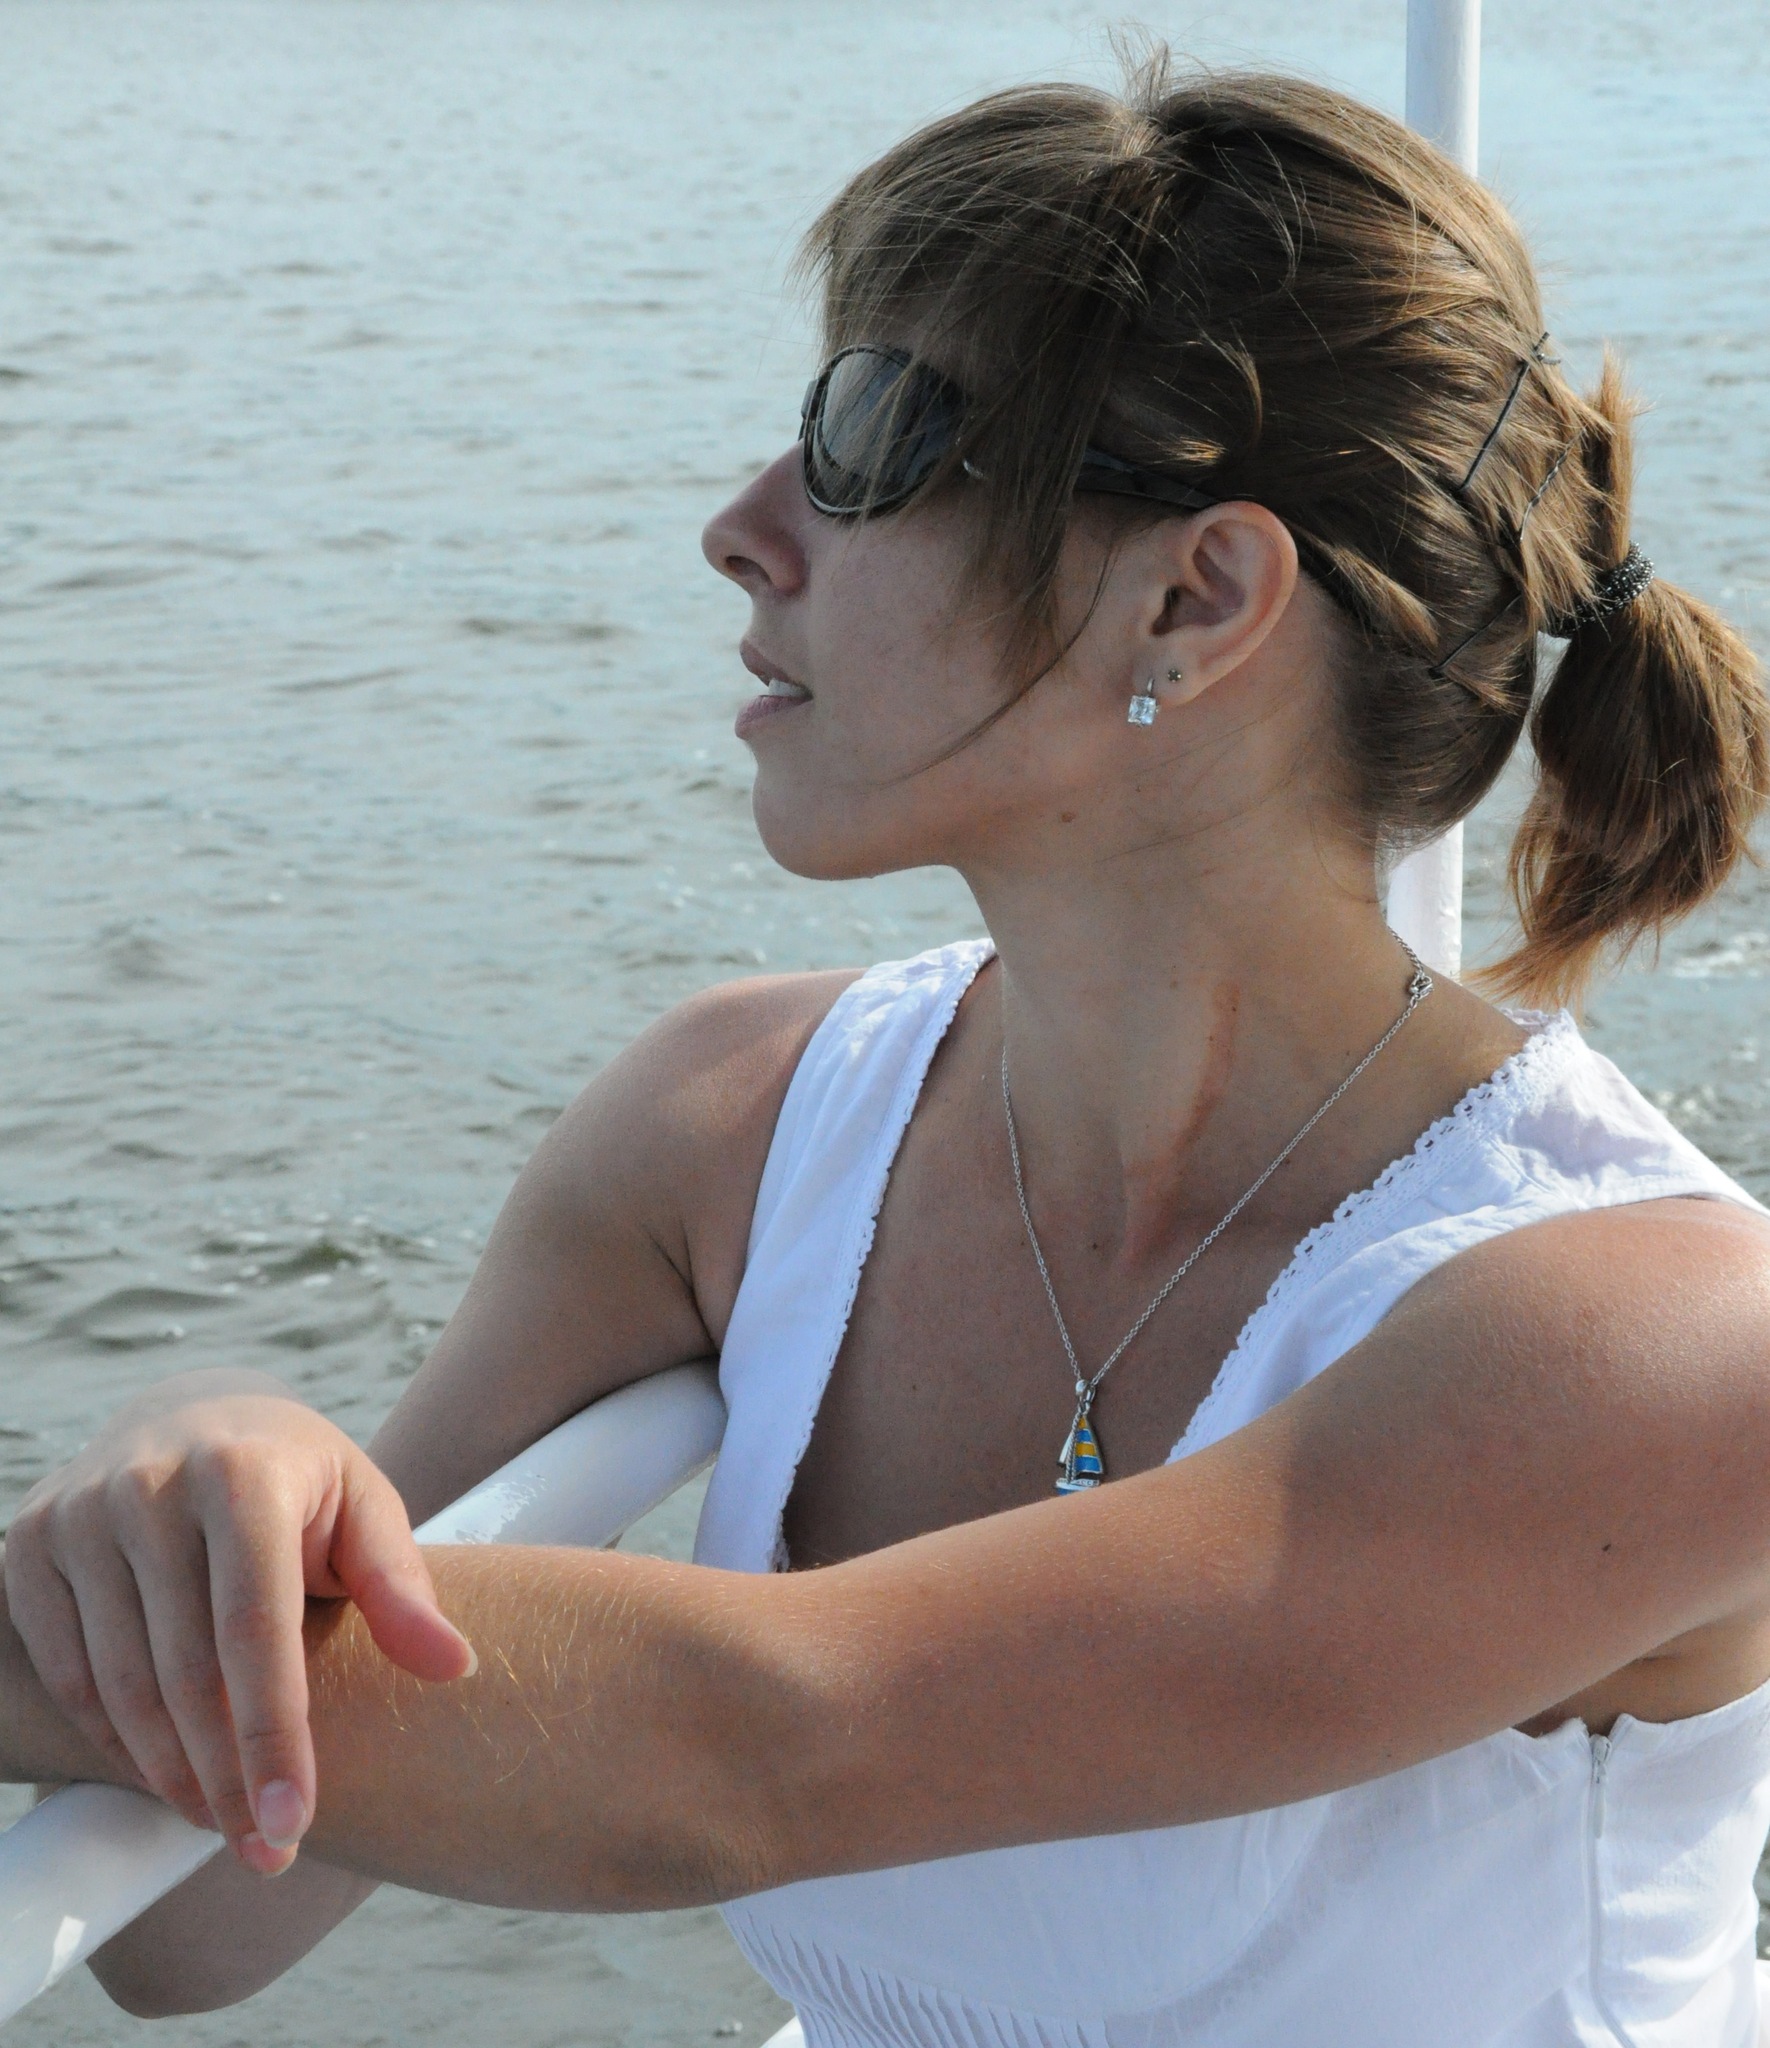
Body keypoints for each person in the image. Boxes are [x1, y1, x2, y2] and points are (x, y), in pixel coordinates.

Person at [3, 52, 1769, 2046]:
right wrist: (214, 1481)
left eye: (865, 437)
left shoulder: (1657, 1341)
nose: (741, 529)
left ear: (1193, 596)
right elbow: (195, 1930)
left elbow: (756, 1748)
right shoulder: (722, 1130)